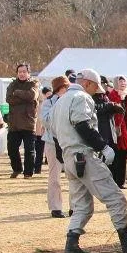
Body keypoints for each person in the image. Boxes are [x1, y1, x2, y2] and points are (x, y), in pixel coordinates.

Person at [50, 68, 127, 253]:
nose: (96, 92)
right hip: (83, 155)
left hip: (69, 157)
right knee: (115, 198)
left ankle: (72, 243)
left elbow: (56, 134)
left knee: (82, 204)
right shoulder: (81, 98)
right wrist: (103, 147)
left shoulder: (60, 102)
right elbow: (82, 125)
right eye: (94, 87)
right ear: (87, 83)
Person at [41, 76, 70, 218]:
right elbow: (46, 121)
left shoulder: (72, 100)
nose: (66, 90)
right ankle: (55, 207)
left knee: (74, 176)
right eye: (64, 88)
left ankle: (75, 206)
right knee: (54, 176)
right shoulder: (48, 102)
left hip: (70, 142)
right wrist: (58, 106)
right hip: (52, 142)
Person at [5, 63, 40, 178]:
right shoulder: (12, 84)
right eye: (20, 72)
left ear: (28, 73)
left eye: (24, 71)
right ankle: (17, 169)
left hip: (29, 122)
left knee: (29, 150)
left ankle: (28, 173)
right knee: (11, 149)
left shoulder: (33, 84)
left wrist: (18, 93)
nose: (22, 74)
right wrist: (23, 98)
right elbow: (9, 99)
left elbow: (32, 96)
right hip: (14, 123)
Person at [108, 76, 127, 189]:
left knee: (123, 157)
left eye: (124, 82)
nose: (122, 84)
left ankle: (120, 182)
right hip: (116, 131)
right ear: (116, 83)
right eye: (120, 82)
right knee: (115, 158)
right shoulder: (112, 96)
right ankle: (113, 182)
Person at [32, 87, 51, 176]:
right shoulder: (38, 104)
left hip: (45, 131)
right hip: (38, 131)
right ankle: (37, 168)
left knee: (45, 151)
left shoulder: (50, 103)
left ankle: (38, 168)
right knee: (38, 151)